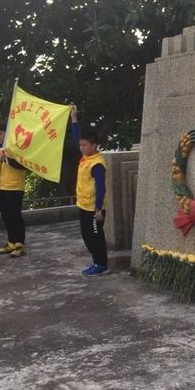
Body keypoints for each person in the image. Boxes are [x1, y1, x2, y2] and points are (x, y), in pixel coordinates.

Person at [70, 105, 109, 276]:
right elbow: (77, 137)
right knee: (87, 237)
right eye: (80, 145)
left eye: (84, 145)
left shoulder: (97, 163)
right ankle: (96, 261)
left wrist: (99, 209)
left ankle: (101, 264)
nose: (81, 147)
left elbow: (101, 188)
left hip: (94, 209)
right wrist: (74, 119)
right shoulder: (86, 157)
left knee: (95, 236)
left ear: (93, 145)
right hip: (83, 205)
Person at [0, 124, 27, 257]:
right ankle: (11, 242)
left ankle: (20, 244)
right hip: (3, 188)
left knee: (15, 216)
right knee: (6, 216)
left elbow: (23, 166)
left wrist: (8, 159)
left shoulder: (18, 148)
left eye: (0, 133)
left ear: (7, 133)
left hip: (15, 187)